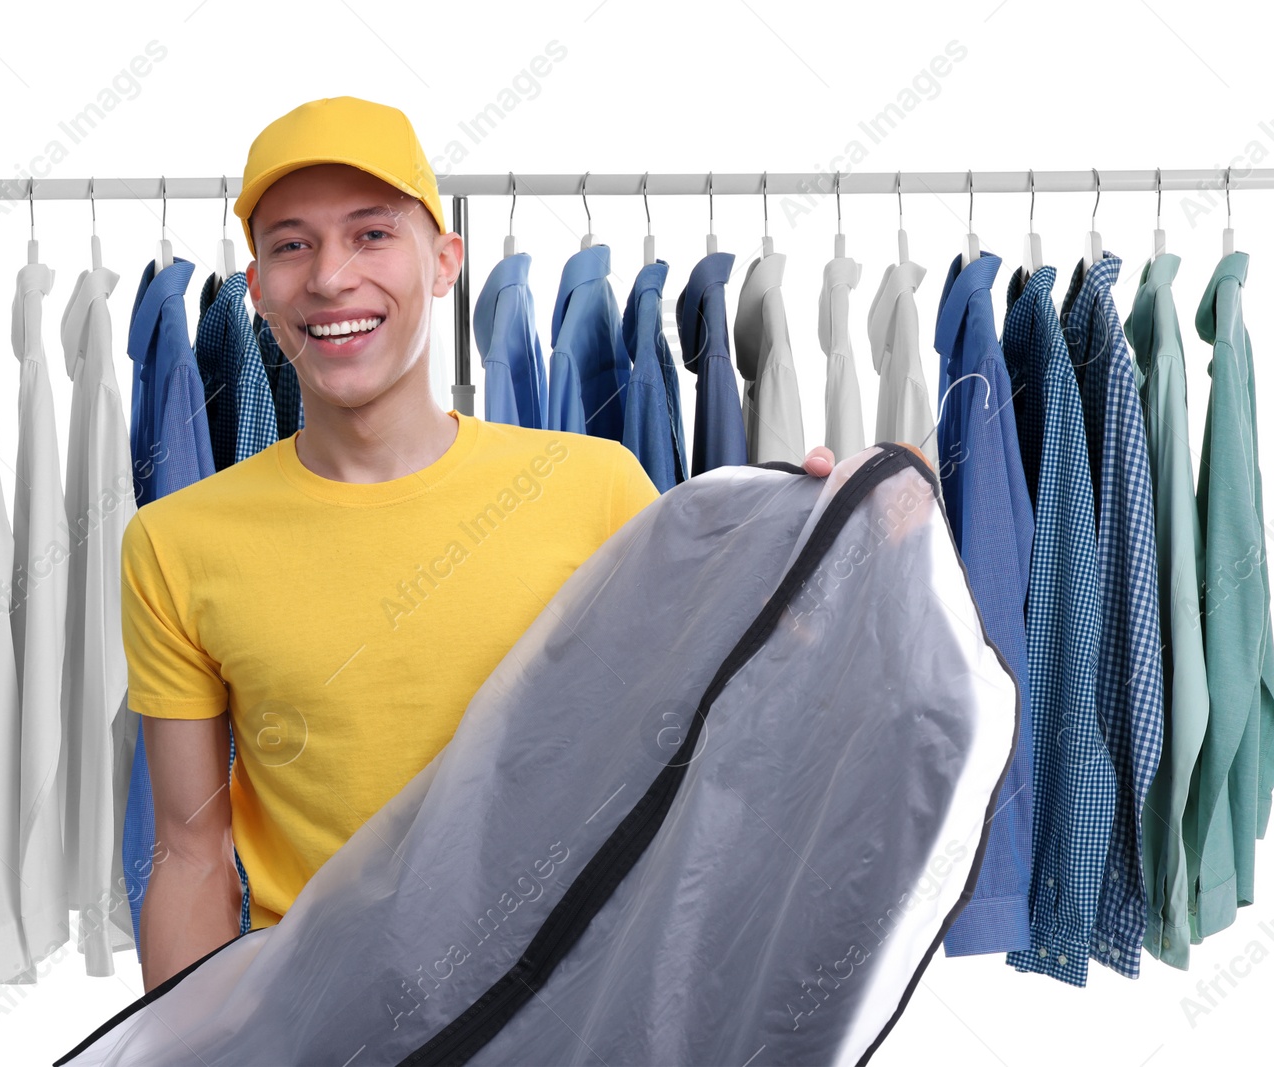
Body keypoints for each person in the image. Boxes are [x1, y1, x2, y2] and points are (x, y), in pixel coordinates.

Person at [119, 96, 836, 992]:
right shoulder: (175, 543)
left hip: (565, 1018)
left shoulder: (596, 488)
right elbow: (190, 853)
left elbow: (753, 708)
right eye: (292, 244)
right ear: (257, 288)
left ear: (445, 261)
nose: (332, 277)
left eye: (372, 235)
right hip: (312, 1028)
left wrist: (852, 537)